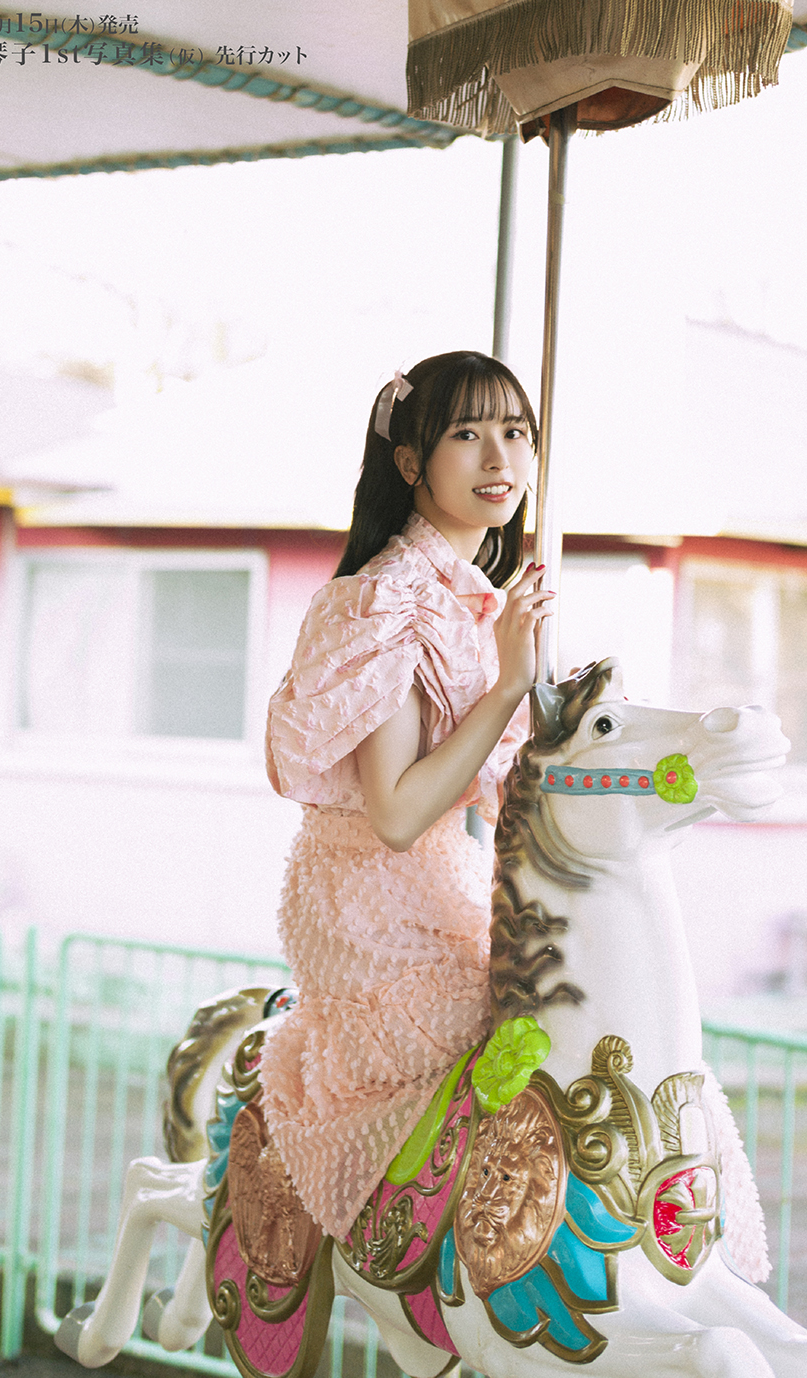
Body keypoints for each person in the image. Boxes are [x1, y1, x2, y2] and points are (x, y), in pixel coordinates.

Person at [259, 350, 554, 1238]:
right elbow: (392, 813)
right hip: (362, 900)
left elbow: (494, 792)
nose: (499, 458)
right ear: (409, 461)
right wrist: (508, 685)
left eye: (515, 432)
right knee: (507, 1043)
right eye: (466, 434)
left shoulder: (475, 599)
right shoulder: (386, 601)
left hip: (440, 880)